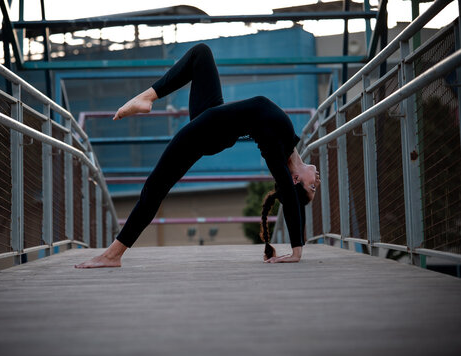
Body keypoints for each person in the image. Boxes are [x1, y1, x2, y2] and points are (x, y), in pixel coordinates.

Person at [75, 43, 320, 268]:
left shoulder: (277, 150)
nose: (317, 180)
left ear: (296, 179)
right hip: (212, 116)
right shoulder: (287, 140)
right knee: (201, 54)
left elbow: (287, 194)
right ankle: (147, 97)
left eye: (312, 187)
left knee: (155, 187)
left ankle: (113, 255)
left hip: (209, 132)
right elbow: (289, 191)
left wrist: (297, 250)